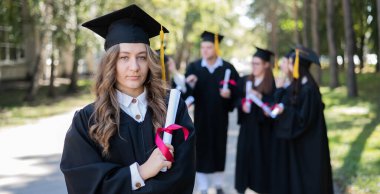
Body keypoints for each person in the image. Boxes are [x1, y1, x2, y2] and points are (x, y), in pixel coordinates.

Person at [60, 4, 196, 194]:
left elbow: (183, 175)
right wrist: (140, 173)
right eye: (124, 58)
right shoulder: (87, 120)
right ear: (110, 63)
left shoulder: (172, 110)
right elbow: (84, 184)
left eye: (141, 57)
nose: (134, 67)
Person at [271, 46, 334, 194]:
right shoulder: (299, 85)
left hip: (310, 147)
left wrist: (284, 111)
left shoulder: (309, 90)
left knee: (310, 182)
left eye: (291, 63)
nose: (289, 66)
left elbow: (302, 120)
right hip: (300, 145)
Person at [185, 31, 240, 194]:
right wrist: (190, 85)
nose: (205, 50)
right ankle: (202, 186)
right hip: (201, 118)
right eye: (203, 47)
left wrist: (229, 95)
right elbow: (187, 95)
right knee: (200, 149)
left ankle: (218, 184)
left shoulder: (227, 68)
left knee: (219, 148)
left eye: (208, 47)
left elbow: (238, 92)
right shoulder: (194, 68)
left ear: (216, 48)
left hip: (220, 118)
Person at [235, 47, 276, 194]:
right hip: (247, 127)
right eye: (252, 63)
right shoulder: (245, 80)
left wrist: (261, 99)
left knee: (260, 160)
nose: (254, 67)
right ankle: (242, 188)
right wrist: (242, 105)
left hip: (263, 131)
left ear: (266, 65)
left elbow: (274, 103)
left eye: (257, 64)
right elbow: (237, 99)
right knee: (244, 158)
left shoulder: (272, 84)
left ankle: (260, 188)